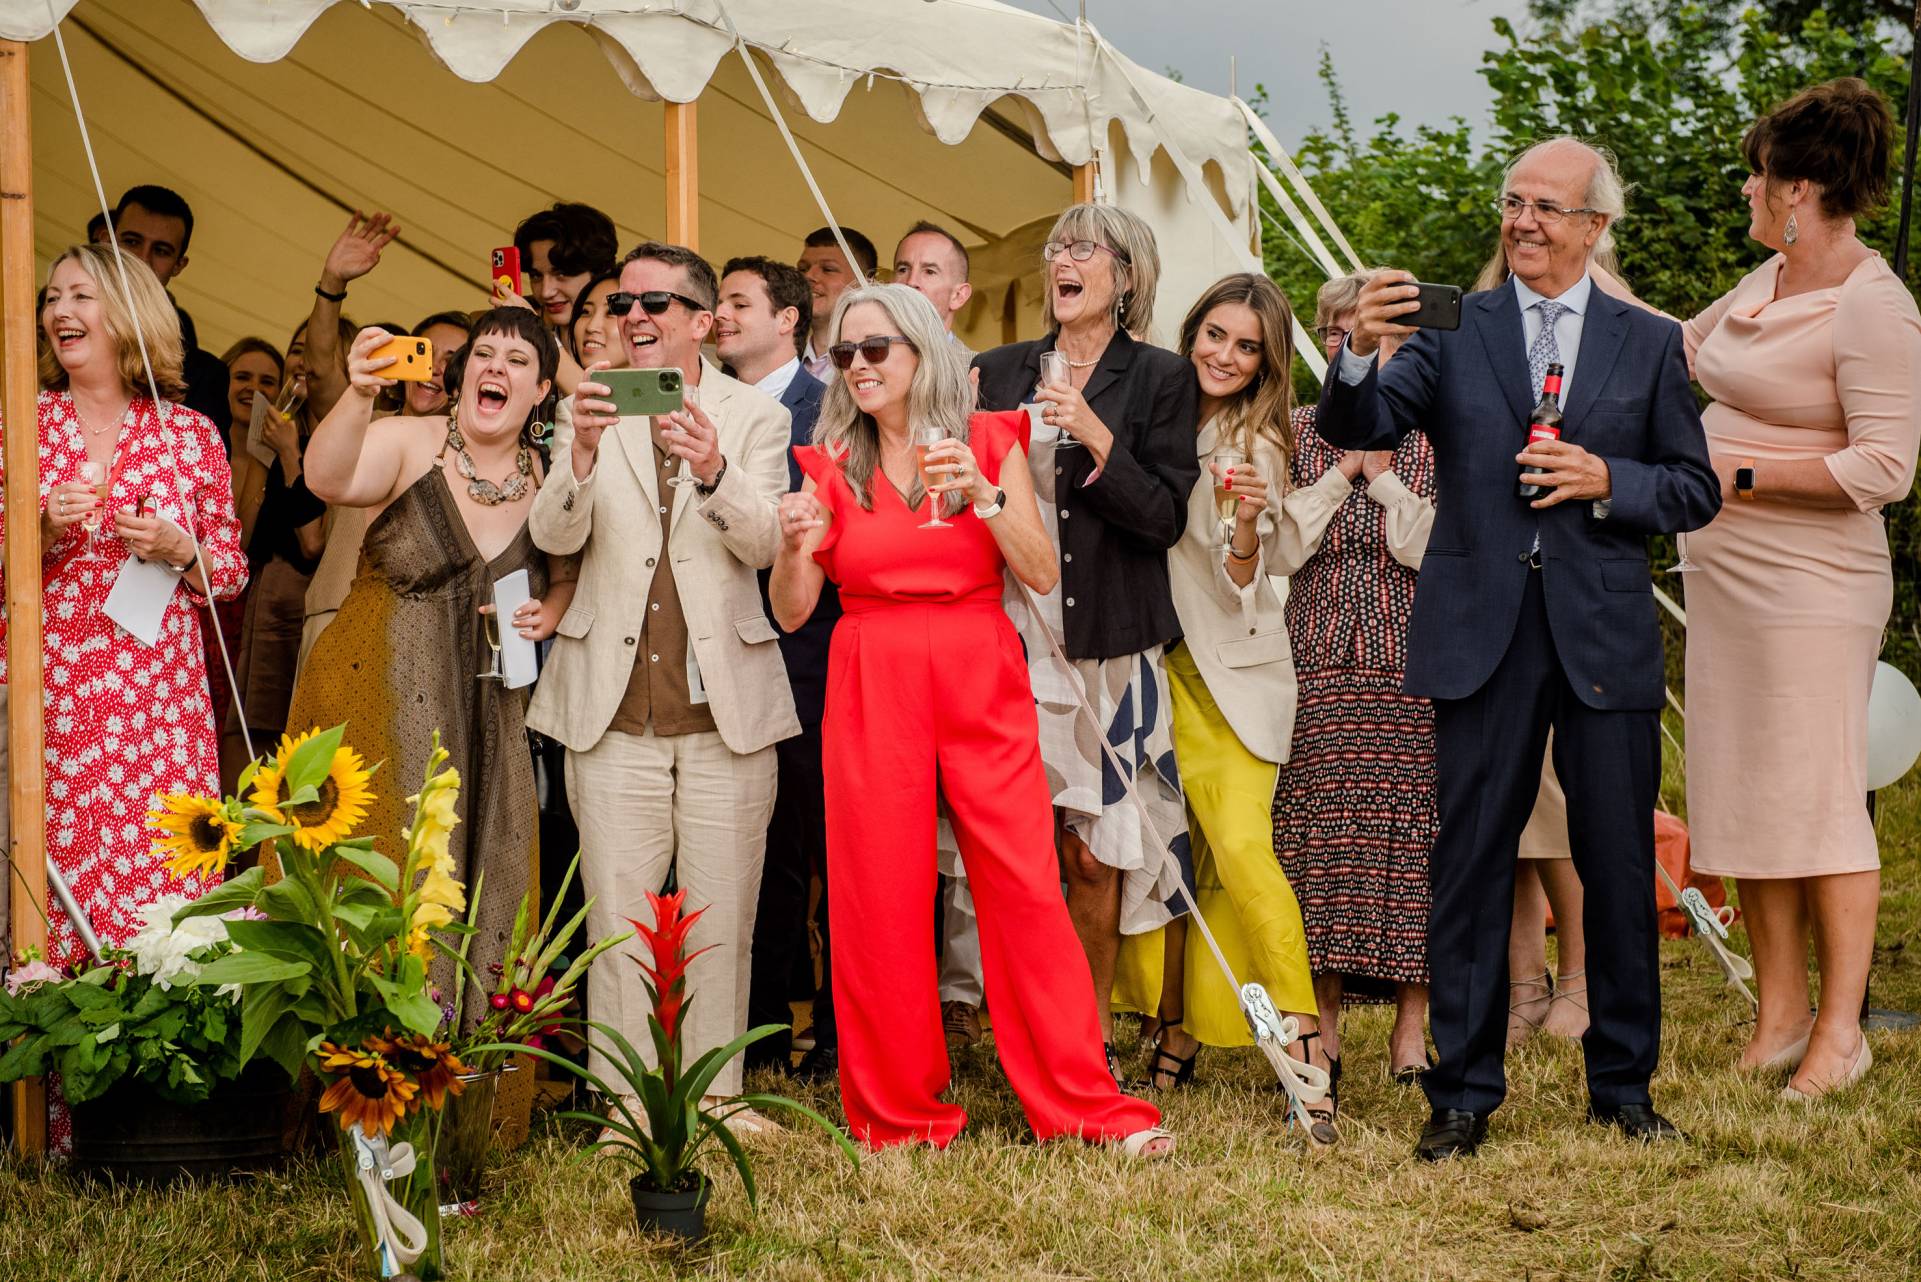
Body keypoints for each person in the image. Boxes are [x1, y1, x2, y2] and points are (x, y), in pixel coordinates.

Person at [1321, 137, 1721, 1161]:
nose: (1523, 222)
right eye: (1512, 203)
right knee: (1467, 864)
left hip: (1601, 633)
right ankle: (1458, 1094)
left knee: (1619, 861)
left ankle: (1623, 1088)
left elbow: (1692, 487)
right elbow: (1358, 418)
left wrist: (1608, 483)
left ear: (1594, 225)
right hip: (1478, 633)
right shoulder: (1454, 328)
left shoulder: (1647, 340)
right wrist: (1358, 352)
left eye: (1546, 207)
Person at [769, 282, 1171, 1157]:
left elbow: (1036, 571)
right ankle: (900, 1115)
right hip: (871, 669)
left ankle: (1081, 1105)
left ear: (921, 352)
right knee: (878, 894)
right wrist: (796, 545)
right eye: (844, 354)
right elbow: (795, 610)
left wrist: (987, 497)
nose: (859, 367)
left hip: (976, 663)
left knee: (1023, 885)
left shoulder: (991, 440)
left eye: (876, 349)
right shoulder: (830, 459)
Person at [1602, 80, 1920, 1100]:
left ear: (1801, 189)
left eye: (1758, 174)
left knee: (1819, 797)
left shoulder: (1873, 304)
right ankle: (1779, 1012)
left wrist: (1733, 475)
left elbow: (1884, 468)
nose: (1745, 187)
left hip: (1814, 585)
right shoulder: (1763, 278)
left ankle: (1841, 1030)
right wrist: (1582, 287)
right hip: (1727, 576)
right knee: (1745, 791)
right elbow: (1682, 350)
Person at [532, 242, 797, 1118]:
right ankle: (627, 1110)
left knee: (722, 924)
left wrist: (714, 468)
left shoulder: (754, 414)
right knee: (619, 926)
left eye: (654, 304)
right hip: (609, 712)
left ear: (702, 321)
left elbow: (764, 547)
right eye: (621, 305)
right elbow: (555, 540)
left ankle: (716, 1101)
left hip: (726, 711)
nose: (632, 318)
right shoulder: (584, 409)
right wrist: (577, 456)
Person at [11, 245, 246, 1151]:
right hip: (57, 692)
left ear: (127, 311)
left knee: (161, 877)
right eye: (52, 297)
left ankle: (159, 1112)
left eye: (82, 295)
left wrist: (180, 547)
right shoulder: (20, 424)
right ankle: (54, 1121)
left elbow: (228, 569)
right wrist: (39, 529)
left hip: (157, 702)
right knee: (55, 876)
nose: (60, 310)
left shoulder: (189, 435)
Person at [290, 308, 570, 1012]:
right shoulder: (408, 441)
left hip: (488, 708)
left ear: (540, 391)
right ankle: (369, 1070)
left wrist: (553, 610)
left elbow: (568, 571)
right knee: (384, 869)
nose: (495, 367)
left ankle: (467, 1072)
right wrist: (357, 391)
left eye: (517, 359)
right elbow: (327, 479)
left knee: (487, 867)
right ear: (461, 370)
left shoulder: (546, 473)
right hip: (373, 694)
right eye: (483, 354)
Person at [974, 203, 1199, 1078]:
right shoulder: (992, 373)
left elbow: (1164, 520)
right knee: (1014, 845)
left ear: (1125, 275)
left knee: (1091, 851)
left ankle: (1089, 1030)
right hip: (1005, 641)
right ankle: (1015, 1026)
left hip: (1109, 646)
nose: (1062, 260)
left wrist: (1093, 431)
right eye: (1054, 248)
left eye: (1083, 249)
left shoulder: (1159, 379)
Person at [1126, 273, 1349, 1141]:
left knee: (1245, 853)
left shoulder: (1254, 442)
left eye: (1245, 345)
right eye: (1214, 335)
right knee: (1174, 866)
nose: (1224, 354)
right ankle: (1173, 1026)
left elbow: (1243, 576)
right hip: (1145, 670)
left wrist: (1250, 532)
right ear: (1190, 336)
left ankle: (1304, 1041)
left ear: (1264, 364)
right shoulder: (1151, 418)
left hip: (1227, 679)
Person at [1272, 271, 1438, 1091]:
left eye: (1370, 337)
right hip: (1317, 662)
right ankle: (1325, 1026)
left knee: (1414, 845)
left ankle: (1412, 1033)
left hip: (1413, 662)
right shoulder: (1299, 431)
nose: (1354, 349)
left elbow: (1433, 550)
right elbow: (1280, 547)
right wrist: (1341, 475)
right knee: (1321, 846)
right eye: (1338, 336)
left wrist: (1386, 478)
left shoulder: (1431, 433)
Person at [716, 256, 841, 1080]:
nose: (720, 315)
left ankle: (836, 1033)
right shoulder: (704, 409)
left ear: (789, 317)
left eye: (736, 302)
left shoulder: (828, 409)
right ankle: (758, 1033)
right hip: (725, 657)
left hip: (814, 656)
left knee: (830, 854)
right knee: (759, 855)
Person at [203, 337, 284, 739]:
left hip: (243, 610)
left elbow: (244, 542)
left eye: (268, 381)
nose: (255, 388)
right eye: (243, 377)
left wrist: (262, 458)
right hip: (194, 600)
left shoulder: (275, 463)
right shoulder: (198, 449)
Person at [107, 185, 229, 428]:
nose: (142, 260)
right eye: (131, 242)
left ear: (179, 265)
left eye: (161, 251)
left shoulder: (204, 375)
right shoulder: (62, 336)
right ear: (106, 241)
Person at [513, 201, 619, 396]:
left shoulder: (625, 336)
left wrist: (539, 338)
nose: (546, 291)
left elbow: (602, 405)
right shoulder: (518, 336)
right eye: (536, 276)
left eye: (561, 274)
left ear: (601, 273)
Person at [798, 226, 877, 380]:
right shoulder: (778, 357)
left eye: (828, 269)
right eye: (802, 269)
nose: (809, 276)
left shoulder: (874, 362)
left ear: (864, 283)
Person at [892, 221, 974, 340]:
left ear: (958, 296)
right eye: (903, 270)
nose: (911, 282)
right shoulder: (862, 354)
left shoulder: (975, 359)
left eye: (929, 272)